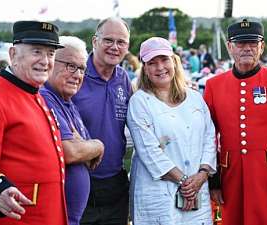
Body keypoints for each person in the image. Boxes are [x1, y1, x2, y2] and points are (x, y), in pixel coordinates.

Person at [204, 18, 267, 225]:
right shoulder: (214, 85)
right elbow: (207, 136)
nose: (247, 48)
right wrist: (214, 180)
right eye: (240, 43)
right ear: (230, 46)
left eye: (253, 43)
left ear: (262, 46)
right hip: (231, 177)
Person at [0, 21, 68, 225]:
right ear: (13, 54)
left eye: (50, 53)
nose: (45, 61)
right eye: (37, 51)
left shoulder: (37, 95)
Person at [127, 37, 217, 225]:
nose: (160, 67)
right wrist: (185, 182)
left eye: (164, 60)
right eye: (152, 63)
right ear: (144, 68)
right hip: (159, 194)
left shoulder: (194, 98)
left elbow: (209, 138)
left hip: (197, 191)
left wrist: (201, 176)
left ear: (174, 61)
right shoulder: (140, 101)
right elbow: (149, 151)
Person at [72, 17, 132, 225]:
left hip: (116, 184)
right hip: (80, 183)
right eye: (108, 40)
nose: (115, 47)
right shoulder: (75, 75)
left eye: (121, 42)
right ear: (94, 41)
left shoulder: (123, 78)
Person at [39, 36, 105, 225]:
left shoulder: (67, 102)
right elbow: (71, 152)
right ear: (51, 63)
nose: (77, 74)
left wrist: (87, 148)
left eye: (82, 68)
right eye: (70, 65)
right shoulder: (46, 97)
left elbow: (87, 155)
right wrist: (98, 146)